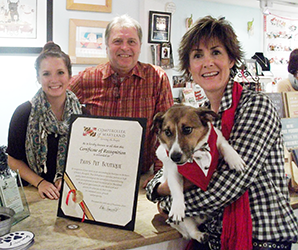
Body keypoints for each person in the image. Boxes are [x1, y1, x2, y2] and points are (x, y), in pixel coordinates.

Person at [146, 16, 298, 250]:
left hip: (260, 240)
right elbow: (170, 160)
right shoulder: (198, 117)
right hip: (213, 238)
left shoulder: (256, 106)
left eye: (216, 52)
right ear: (189, 67)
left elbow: (225, 187)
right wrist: (158, 187)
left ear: (232, 59)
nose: (207, 63)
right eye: (197, 55)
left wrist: (168, 202)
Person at [69, 14, 173, 174]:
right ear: (106, 46)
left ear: (139, 46)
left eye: (131, 42)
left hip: (139, 174)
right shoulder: (87, 78)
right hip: (95, 173)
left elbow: (166, 131)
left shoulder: (157, 78)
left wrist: (160, 175)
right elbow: (55, 99)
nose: (125, 47)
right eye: (117, 41)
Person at [7, 42, 88, 200]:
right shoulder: (23, 113)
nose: (54, 80)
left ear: (69, 75)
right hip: (32, 192)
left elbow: (86, 158)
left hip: (69, 193)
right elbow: (13, 160)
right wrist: (41, 183)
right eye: (46, 74)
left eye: (60, 72)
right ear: (38, 77)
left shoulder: (83, 115)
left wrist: (66, 179)